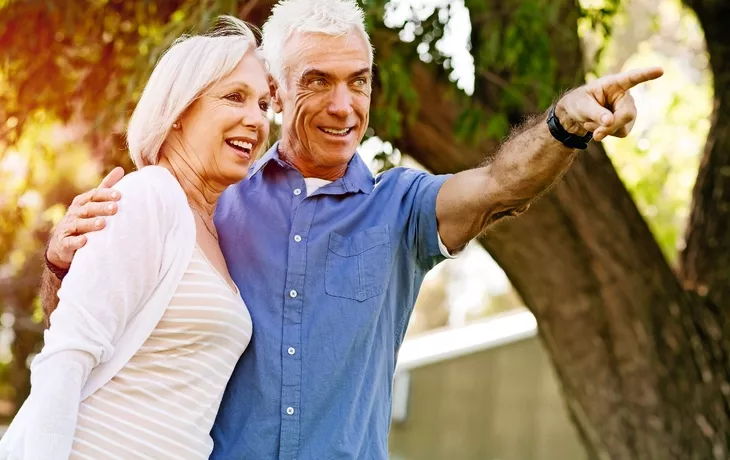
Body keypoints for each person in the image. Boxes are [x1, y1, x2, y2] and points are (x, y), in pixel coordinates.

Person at [40, 0, 663, 458]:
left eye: (358, 81)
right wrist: (59, 267)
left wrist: (563, 126)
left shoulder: (403, 207)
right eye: (319, 82)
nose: (345, 106)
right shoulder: (207, 205)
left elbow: (502, 182)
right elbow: (92, 332)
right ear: (277, 95)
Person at [0, 16, 272, 460]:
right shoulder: (150, 196)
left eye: (263, 104)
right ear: (180, 112)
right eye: (235, 97)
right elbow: (67, 355)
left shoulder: (215, 229)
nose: (255, 119)